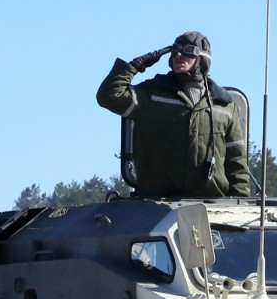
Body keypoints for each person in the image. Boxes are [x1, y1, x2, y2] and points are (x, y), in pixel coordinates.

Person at [97, 31, 252, 198]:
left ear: (202, 58)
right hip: (157, 205)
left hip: (212, 207)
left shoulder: (224, 105)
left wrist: (240, 202)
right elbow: (109, 96)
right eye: (176, 49)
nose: (179, 54)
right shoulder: (152, 95)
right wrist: (136, 64)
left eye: (188, 50)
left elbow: (237, 160)